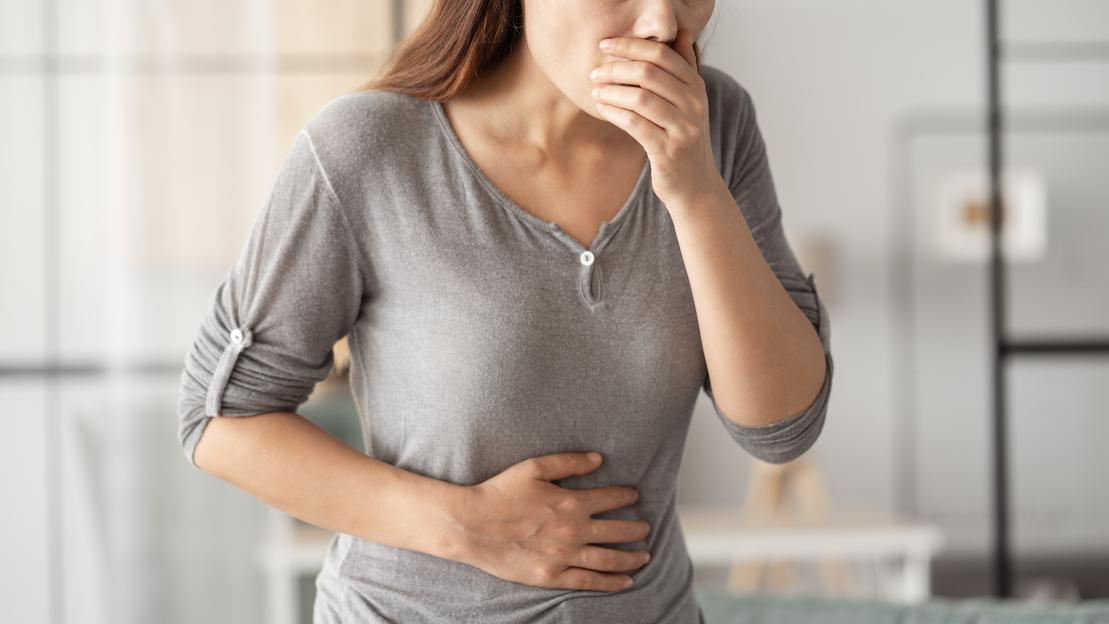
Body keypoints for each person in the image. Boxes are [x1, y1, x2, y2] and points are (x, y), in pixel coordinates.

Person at [175, 0, 834, 622]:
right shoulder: (370, 147)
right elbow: (220, 420)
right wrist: (466, 526)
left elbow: (779, 428)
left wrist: (693, 189)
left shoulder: (716, 128)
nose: (662, 22)